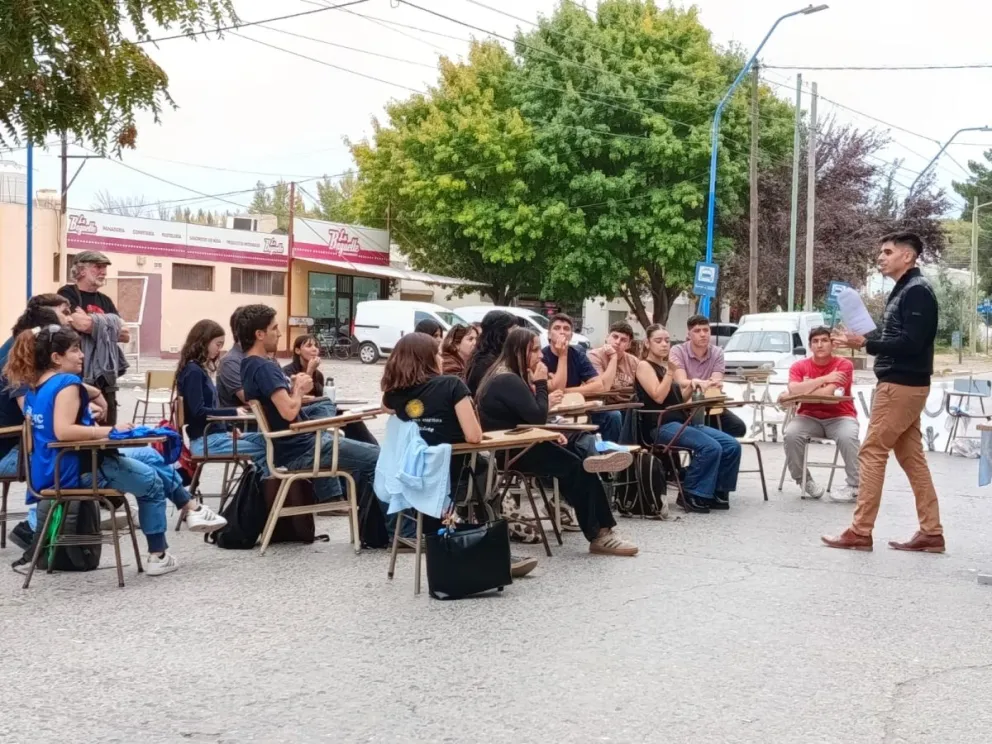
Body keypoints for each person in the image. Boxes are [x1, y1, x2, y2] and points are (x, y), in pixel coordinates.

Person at [6, 325, 224, 575]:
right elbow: (64, 431)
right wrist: (110, 430)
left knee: (149, 455)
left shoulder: (34, 386)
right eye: (75, 350)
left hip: (53, 467)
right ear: (56, 358)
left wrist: (90, 405)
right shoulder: (66, 382)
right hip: (77, 469)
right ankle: (158, 555)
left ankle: (191, 507)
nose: (82, 355)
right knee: (152, 483)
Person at [380, 333, 538, 577]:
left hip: (413, 480)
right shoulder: (451, 385)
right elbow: (474, 436)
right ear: (429, 359)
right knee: (487, 471)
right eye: (438, 354)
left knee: (480, 471)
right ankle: (492, 549)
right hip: (456, 479)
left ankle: (462, 542)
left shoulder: (393, 395)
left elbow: (389, 411)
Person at [823, 231, 943, 553]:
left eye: (888, 251)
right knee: (911, 457)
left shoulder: (917, 292)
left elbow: (911, 344)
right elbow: (899, 339)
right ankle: (932, 532)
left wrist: (865, 343)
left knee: (872, 452)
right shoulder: (906, 290)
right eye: (881, 251)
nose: (881, 257)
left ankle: (860, 531)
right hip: (904, 383)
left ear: (908, 256)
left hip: (901, 385)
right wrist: (865, 337)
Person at [476, 327, 638, 556]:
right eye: (534, 350)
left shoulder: (505, 374)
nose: (540, 356)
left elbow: (528, 416)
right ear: (519, 352)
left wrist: (549, 431)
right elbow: (537, 415)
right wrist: (542, 384)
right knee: (579, 470)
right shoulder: (507, 379)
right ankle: (601, 533)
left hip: (525, 440)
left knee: (575, 446)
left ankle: (594, 456)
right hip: (515, 450)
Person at [238, 304, 379, 503]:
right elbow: (288, 412)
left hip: (291, 446)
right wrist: (298, 389)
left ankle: (362, 516)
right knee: (379, 458)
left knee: (329, 410)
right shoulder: (264, 368)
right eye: (274, 329)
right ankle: (387, 529)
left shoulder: (247, 364)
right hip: (303, 449)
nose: (279, 334)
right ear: (260, 334)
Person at [635, 324, 741, 513]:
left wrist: (691, 386)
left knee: (731, 445)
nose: (664, 345)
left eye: (667, 341)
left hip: (682, 420)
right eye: (658, 341)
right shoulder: (645, 366)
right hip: (659, 425)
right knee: (710, 447)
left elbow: (677, 398)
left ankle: (718, 491)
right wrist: (670, 372)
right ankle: (692, 492)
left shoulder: (664, 366)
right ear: (647, 343)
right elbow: (658, 396)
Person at [175, 319, 267, 467]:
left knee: (268, 439)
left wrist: (229, 428)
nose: (219, 349)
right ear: (203, 341)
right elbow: (198, 412)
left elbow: (207, 411)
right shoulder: (193, 372)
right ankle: (262, 487)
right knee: (268, 448)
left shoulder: (197, 370)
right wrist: (233, 412)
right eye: (218, 344)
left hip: (213, 436)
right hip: (206, 441)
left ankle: (260, 485)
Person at [783, 326, 860, 502]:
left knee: (848, 436)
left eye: (824, 340)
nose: (820, 345)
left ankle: (855, 485)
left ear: (832, 344)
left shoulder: (844, 365)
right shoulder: (799, 366)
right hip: (808, 416)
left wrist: (807, 388)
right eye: (815, 341)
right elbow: (793, 389)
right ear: (810, 346)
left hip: (840, 416)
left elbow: (827, 394)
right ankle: (804, 480)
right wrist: (825, 379)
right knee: (791, 434)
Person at [57, 251, 130, 425]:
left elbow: (125, 334)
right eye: (98, 267)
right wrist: (109, 324)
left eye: (104, 267)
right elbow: (80, 324)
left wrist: (93, 322)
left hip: (106, 377)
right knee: (83, 426)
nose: (103, 272)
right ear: (81, 270)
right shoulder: (67, 293)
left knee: (108, 428)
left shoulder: (105, 300)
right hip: (80, 374)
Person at [542, 313, 621, 443]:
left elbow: (598, 386)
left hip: (577, 407)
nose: (562, 332)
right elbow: (555, 389)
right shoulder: (542, 356)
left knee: (613, 416)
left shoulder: (577, 355)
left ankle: (611, 455)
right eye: (557, 328)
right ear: (549, 335)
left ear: (571, 336)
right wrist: (562, 355)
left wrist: (566, 391)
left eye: (566, 329)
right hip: (552, 413)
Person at [670, 314, 747, 437]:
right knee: (704, 433)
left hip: (710, 403)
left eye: (706, 330)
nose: (703, 334)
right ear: (689, 334)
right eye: (697, 331)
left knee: (738, 427)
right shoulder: (677, 350)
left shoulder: (717, 352)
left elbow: (716, 382)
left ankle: (716, 448)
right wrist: (698, 383)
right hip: (685, 405)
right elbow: (681, 382)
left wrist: (707, 384)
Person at [0, 294, 71, 370]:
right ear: (46, 312)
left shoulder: (31, 337)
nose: (70, 319)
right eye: (65, 313)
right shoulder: (29, 343)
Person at [465, 310, 523, 395]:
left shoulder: (496, 357)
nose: (517, 335)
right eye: (514, 330)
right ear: (500, 332)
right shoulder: (487, 363)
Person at [587, 321, 640, 392]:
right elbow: (602, 387)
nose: (617, 342)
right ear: (607, 337)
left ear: (629, 345)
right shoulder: (594, 356)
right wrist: (613, 357)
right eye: (615, 337)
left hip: (629, 401)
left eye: (623, 340)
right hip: (603, 401)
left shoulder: (634, 361)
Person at [217, 307, 248, 409]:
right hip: (242, 422)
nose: (278, 334)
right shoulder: (231, 361)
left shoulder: (268, 359)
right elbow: (249, 400)